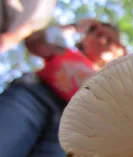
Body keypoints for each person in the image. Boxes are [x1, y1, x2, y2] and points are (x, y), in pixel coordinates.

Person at [0, 19, 126, 157]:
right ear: (85, 37)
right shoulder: (65, 52)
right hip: (34, 98)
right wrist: (75, 27)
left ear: (120, 52)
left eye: (109, 40)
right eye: (97, 34)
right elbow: (34, 41)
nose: (102, 40)